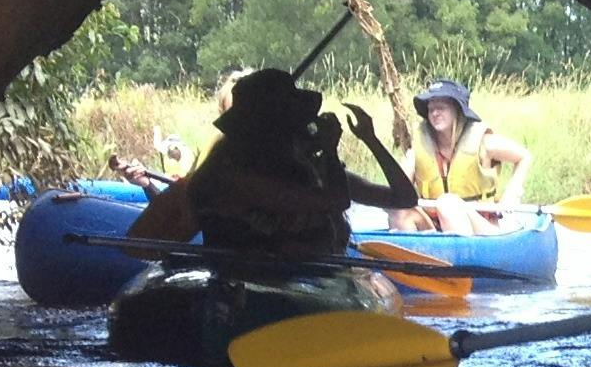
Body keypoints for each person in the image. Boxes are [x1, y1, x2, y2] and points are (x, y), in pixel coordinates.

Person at [125, 68, 417, 257]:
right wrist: (329, 150)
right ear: (274, 126)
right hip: (254, 292)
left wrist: (370, 139)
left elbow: (404, 198)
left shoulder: (308, 169)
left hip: (310, 284)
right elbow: (335, 201)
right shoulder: (232, 179)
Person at [394, 79, 533, 234]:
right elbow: (397, 191)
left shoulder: (484, 143)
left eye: (441, 107)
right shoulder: (417, 151)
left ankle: (462, 257)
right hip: (436, 227)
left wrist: (511, 195)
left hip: (481, 229)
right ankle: (413, 254)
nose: (434, 113)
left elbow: (524, 157)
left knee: (447, 203)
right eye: (431, 108)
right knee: (400, 210)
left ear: (457, 111)